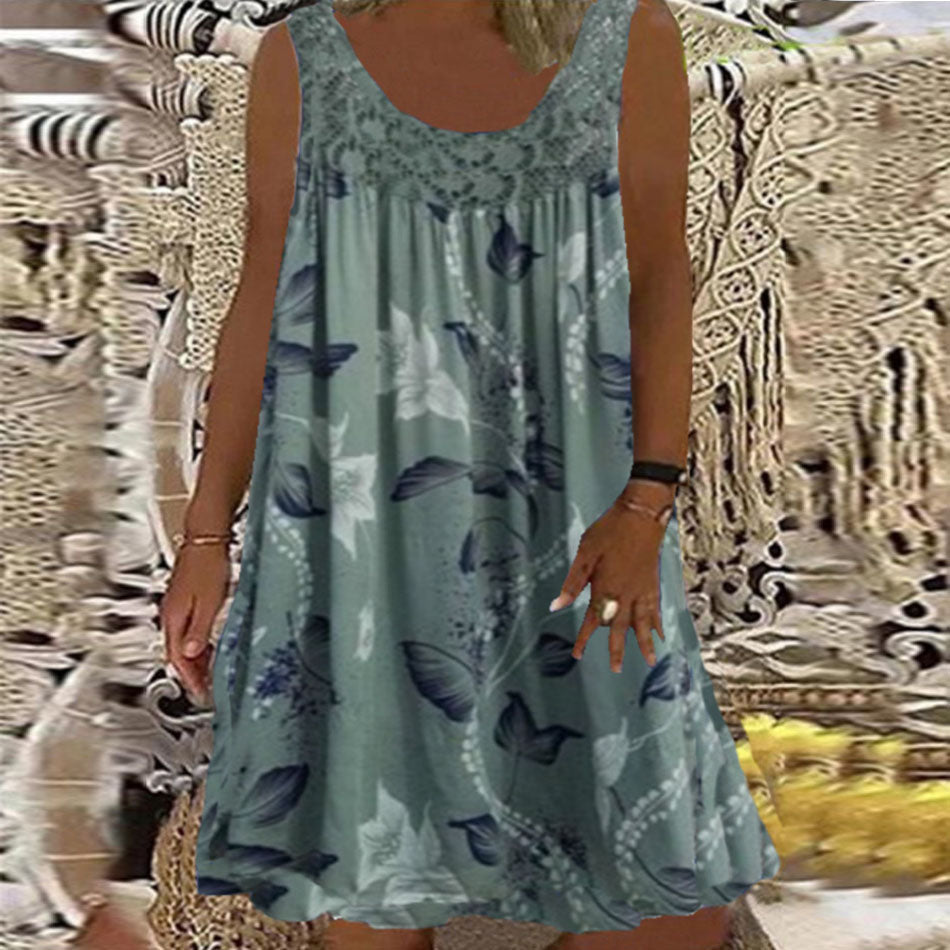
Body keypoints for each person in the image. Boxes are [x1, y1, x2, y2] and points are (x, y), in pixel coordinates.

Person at [159, 1, 782, 948]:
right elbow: (260, 301)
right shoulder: (301, 55)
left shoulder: (625, 35)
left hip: (577, 517)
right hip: (359, 534)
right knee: (374, 869)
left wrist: (649, 495)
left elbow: (662, 272)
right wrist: (207, 535)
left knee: (677, 904)